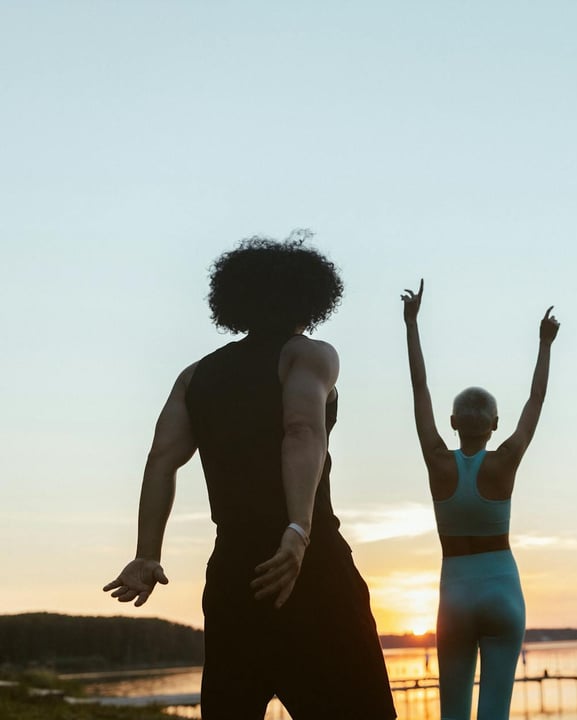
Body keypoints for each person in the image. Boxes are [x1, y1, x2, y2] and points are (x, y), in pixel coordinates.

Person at [103, 235, 396, 720]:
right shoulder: (309, 355)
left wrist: (146, 554)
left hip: (234, 575)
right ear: (311, 299)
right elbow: (300, 429)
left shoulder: (196, 375)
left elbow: (160, 460)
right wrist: (298, 531)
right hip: (310, 566)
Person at [401, 279, 558, 720]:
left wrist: (411, 325)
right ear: (494, 424)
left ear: (452, 422)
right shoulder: (505, 459)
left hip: (454, 593)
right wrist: (545, 344)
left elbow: (419, 388)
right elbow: (537, 399)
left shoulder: (437, 459)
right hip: (502, 590)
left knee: (452, 714)